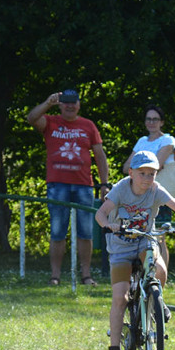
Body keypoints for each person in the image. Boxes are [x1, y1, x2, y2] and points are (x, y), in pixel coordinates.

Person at [94, 151, 175, 350]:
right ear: (131, 173)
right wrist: (109, 225)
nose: (147, 178)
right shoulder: (120, 190)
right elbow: (101, 214)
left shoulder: (156, 190)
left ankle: (157, 302)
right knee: (120, 297)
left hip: (144, 242)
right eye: (142, 173)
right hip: (120, 246)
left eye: (152, 173)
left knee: (159, 269)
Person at [26, 89, 111, 286]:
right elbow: (31, 118)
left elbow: (100, 156)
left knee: (86, 232)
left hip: (84, 185)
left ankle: (86, 276)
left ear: (79, 104)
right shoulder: (50, 121)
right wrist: (48, 103)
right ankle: (55, 276)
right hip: (57, 184)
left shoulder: (88, 125)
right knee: (57, 231)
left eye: (74, 102)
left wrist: (104, 184)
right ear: (60, 104)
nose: (70, 106)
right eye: (66, 103)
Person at [121, 105, 175, 265]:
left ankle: (161, 275)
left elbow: (157, 165)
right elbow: (125, 167)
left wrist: (138, 167)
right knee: (137, 235)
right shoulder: (142, 141)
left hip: (159, 196)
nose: (151, 122)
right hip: (137, 196)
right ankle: (144, 273)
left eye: (155, 119)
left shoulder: (168, 140)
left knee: (158, 236)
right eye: (148, 119)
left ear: (162, 122)